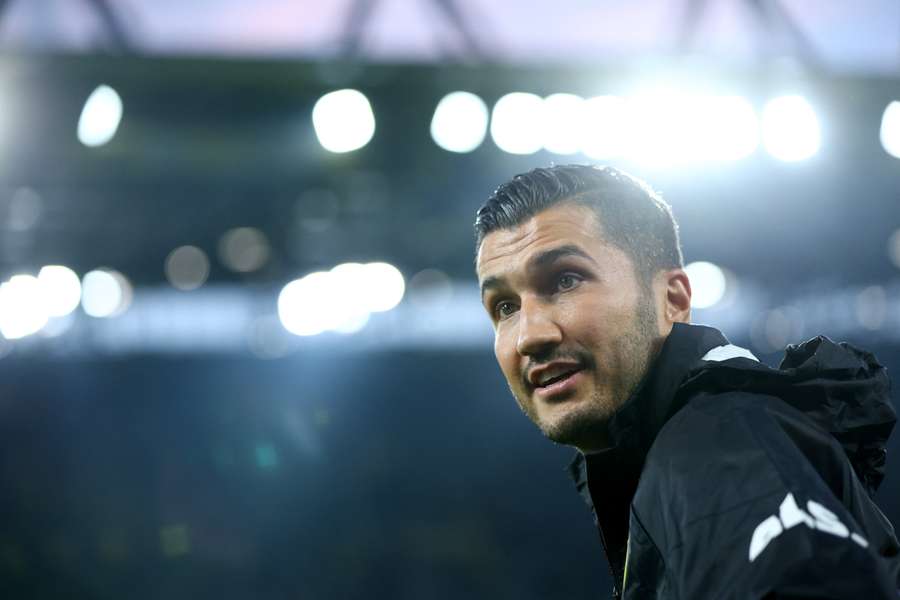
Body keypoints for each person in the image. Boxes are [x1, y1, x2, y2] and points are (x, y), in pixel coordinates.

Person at [473, 164, 900, 599]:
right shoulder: (685, 456)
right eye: (504, 306)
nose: (529, 335)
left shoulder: (720, 443)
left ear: (672, 301)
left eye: (565, 280)